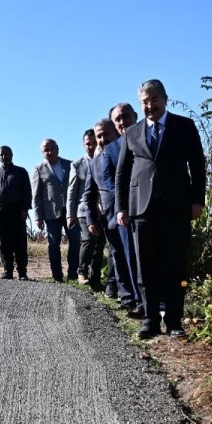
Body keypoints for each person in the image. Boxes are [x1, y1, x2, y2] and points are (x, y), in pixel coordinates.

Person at [116, 79, 207, 339]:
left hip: (176, 207)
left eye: (154, 99)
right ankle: (150, 319)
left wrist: (197, 201)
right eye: (144, 101)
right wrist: (121, 207)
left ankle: (175, 321)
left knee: (175, 266)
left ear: (165, 99)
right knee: (145, 267)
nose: (149, 105)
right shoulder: (132, 133)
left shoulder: (184, 126)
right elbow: (122, 174)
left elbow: (198, 166)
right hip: (141, 209)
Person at [84, 118, 144, 317]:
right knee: (118, 258)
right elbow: (89, 194)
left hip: (127, 214)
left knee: (132, 258)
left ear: (116, 133)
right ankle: (126, 298)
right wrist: (91, 219)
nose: (102, 139)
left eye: (105, 134)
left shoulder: (126, 154)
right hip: (108, 219)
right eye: (98, 136)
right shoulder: (93, 163)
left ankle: (140, 300)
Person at [110, 102, 144, 308]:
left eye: (126, 116)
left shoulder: (148, 136)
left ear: (135, 116)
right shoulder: (111, 149)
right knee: (130, 256)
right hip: (125, 210)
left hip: (149, 205)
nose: (123, 122)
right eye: (118, 119)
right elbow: (113, 181)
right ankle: (140, 301)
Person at [32, 139, 78, 283]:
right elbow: (36, 195)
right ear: (42, 152)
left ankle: (73, 274)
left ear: (58, 148)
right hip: (51, 213)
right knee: (53, 244)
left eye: (52, 148)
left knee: (76, 241)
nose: (50, 152)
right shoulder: (39, 169)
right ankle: (57, 276)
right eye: (46, 150)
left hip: (71, 211)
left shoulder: (70, 165)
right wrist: (38, 217)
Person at [0, 145, 31, 279]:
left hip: (17, 211)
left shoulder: (21, 172)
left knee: (19, 243)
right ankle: (7, 271)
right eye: (1, 154)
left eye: (6, 154)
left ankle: (22, 272)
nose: (4, 156)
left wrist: (24, 209)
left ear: (11, 155)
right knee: (3, 242)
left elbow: (27, 192)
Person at [66, 128, 103, 287]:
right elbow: (72, 190)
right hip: (83, 210)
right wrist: (70, 214)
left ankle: (95, 278)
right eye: (88, 143)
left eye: (94, 143)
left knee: (100, 244)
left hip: (103, 210)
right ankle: (81, 272)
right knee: (88, 239)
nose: (91, 146)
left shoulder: (105, 159)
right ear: (83, 145)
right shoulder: (77, 164)